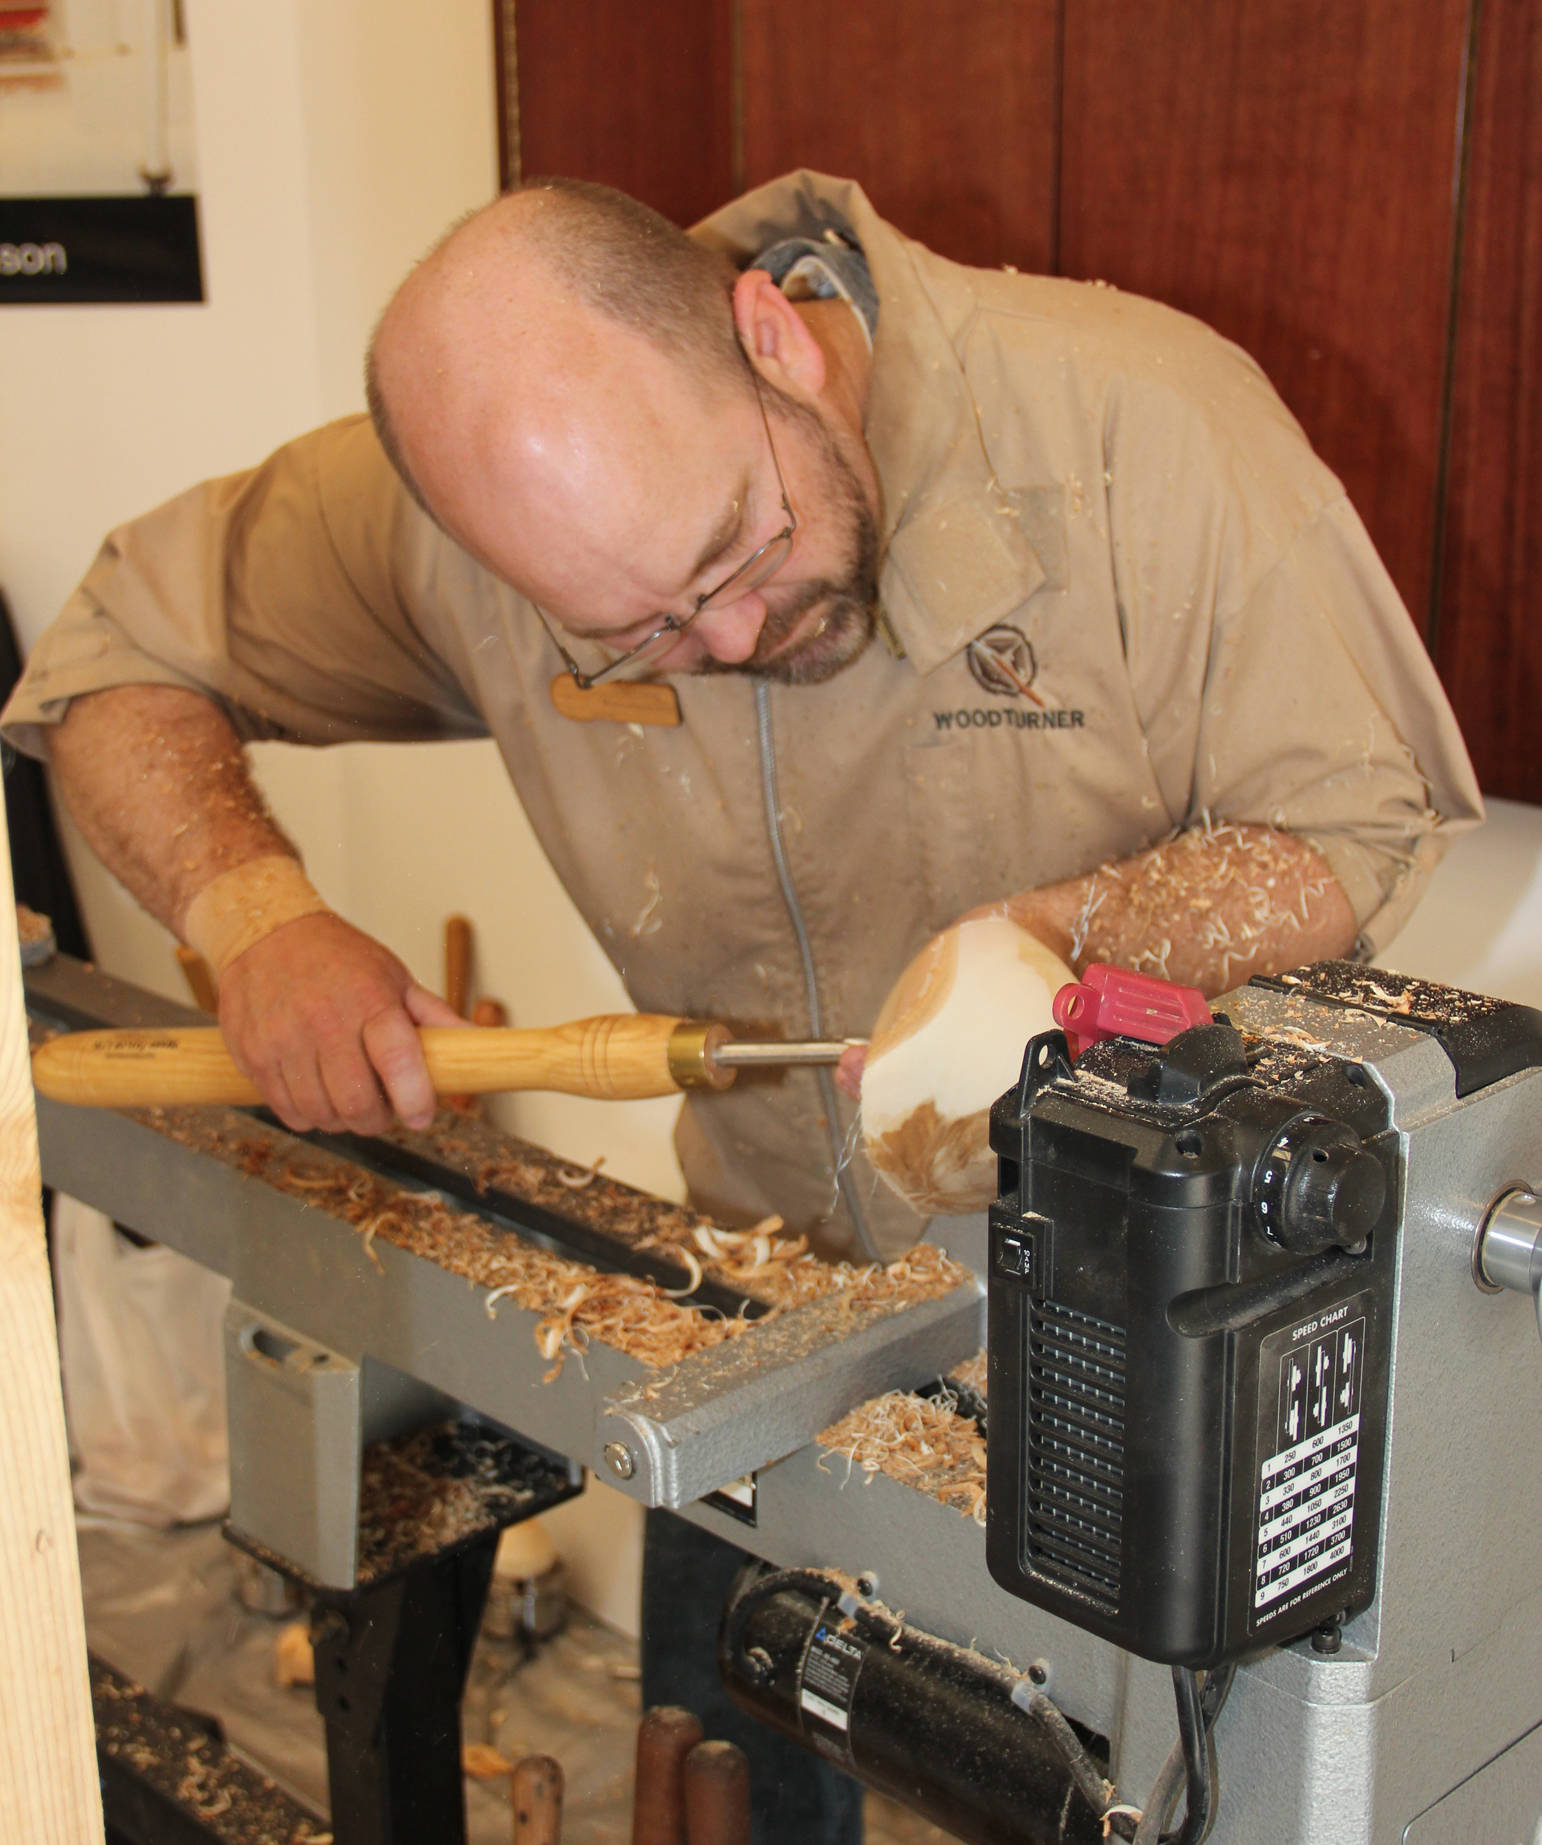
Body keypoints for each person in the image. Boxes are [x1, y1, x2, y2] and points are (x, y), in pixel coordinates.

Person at [3, 171, 1482, 1841]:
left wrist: (1053, 935)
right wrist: (252, 916)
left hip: (1110, 1362)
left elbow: (1360, 821)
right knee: (720, 1801)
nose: (728, 631)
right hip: (743, 1340)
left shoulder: (1140, 426)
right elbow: (110, 647)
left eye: (739, 547)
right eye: (637, 636)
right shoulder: (469, 509)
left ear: (772, 338)